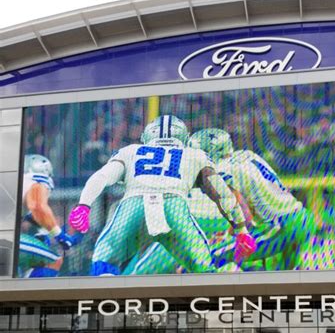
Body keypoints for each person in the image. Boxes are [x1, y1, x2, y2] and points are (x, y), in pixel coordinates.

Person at [68, 115, 256, 275]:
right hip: (175, 209)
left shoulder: (131, 151)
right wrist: (241, 231)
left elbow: (101, 176)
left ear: (147, 135)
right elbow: (223, 195)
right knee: (204, 268)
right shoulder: (194, 154)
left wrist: (84, 205)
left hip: (133, 206)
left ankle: (104, 311)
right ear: (184, 137)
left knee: (104, 258)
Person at [188, 127, 321, 271]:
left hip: (281, 226)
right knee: (286, 280)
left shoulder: (221, 170)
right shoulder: (248, 155)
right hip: (303, 218)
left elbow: (244, 214)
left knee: (211, 255)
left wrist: (227, 235)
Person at [18, 154, 75, 277]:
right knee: (53, 261)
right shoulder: (35, 179)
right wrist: (59, 234)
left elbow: (32, 215)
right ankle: (29, 295)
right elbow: (37, 206)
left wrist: (42, 232)